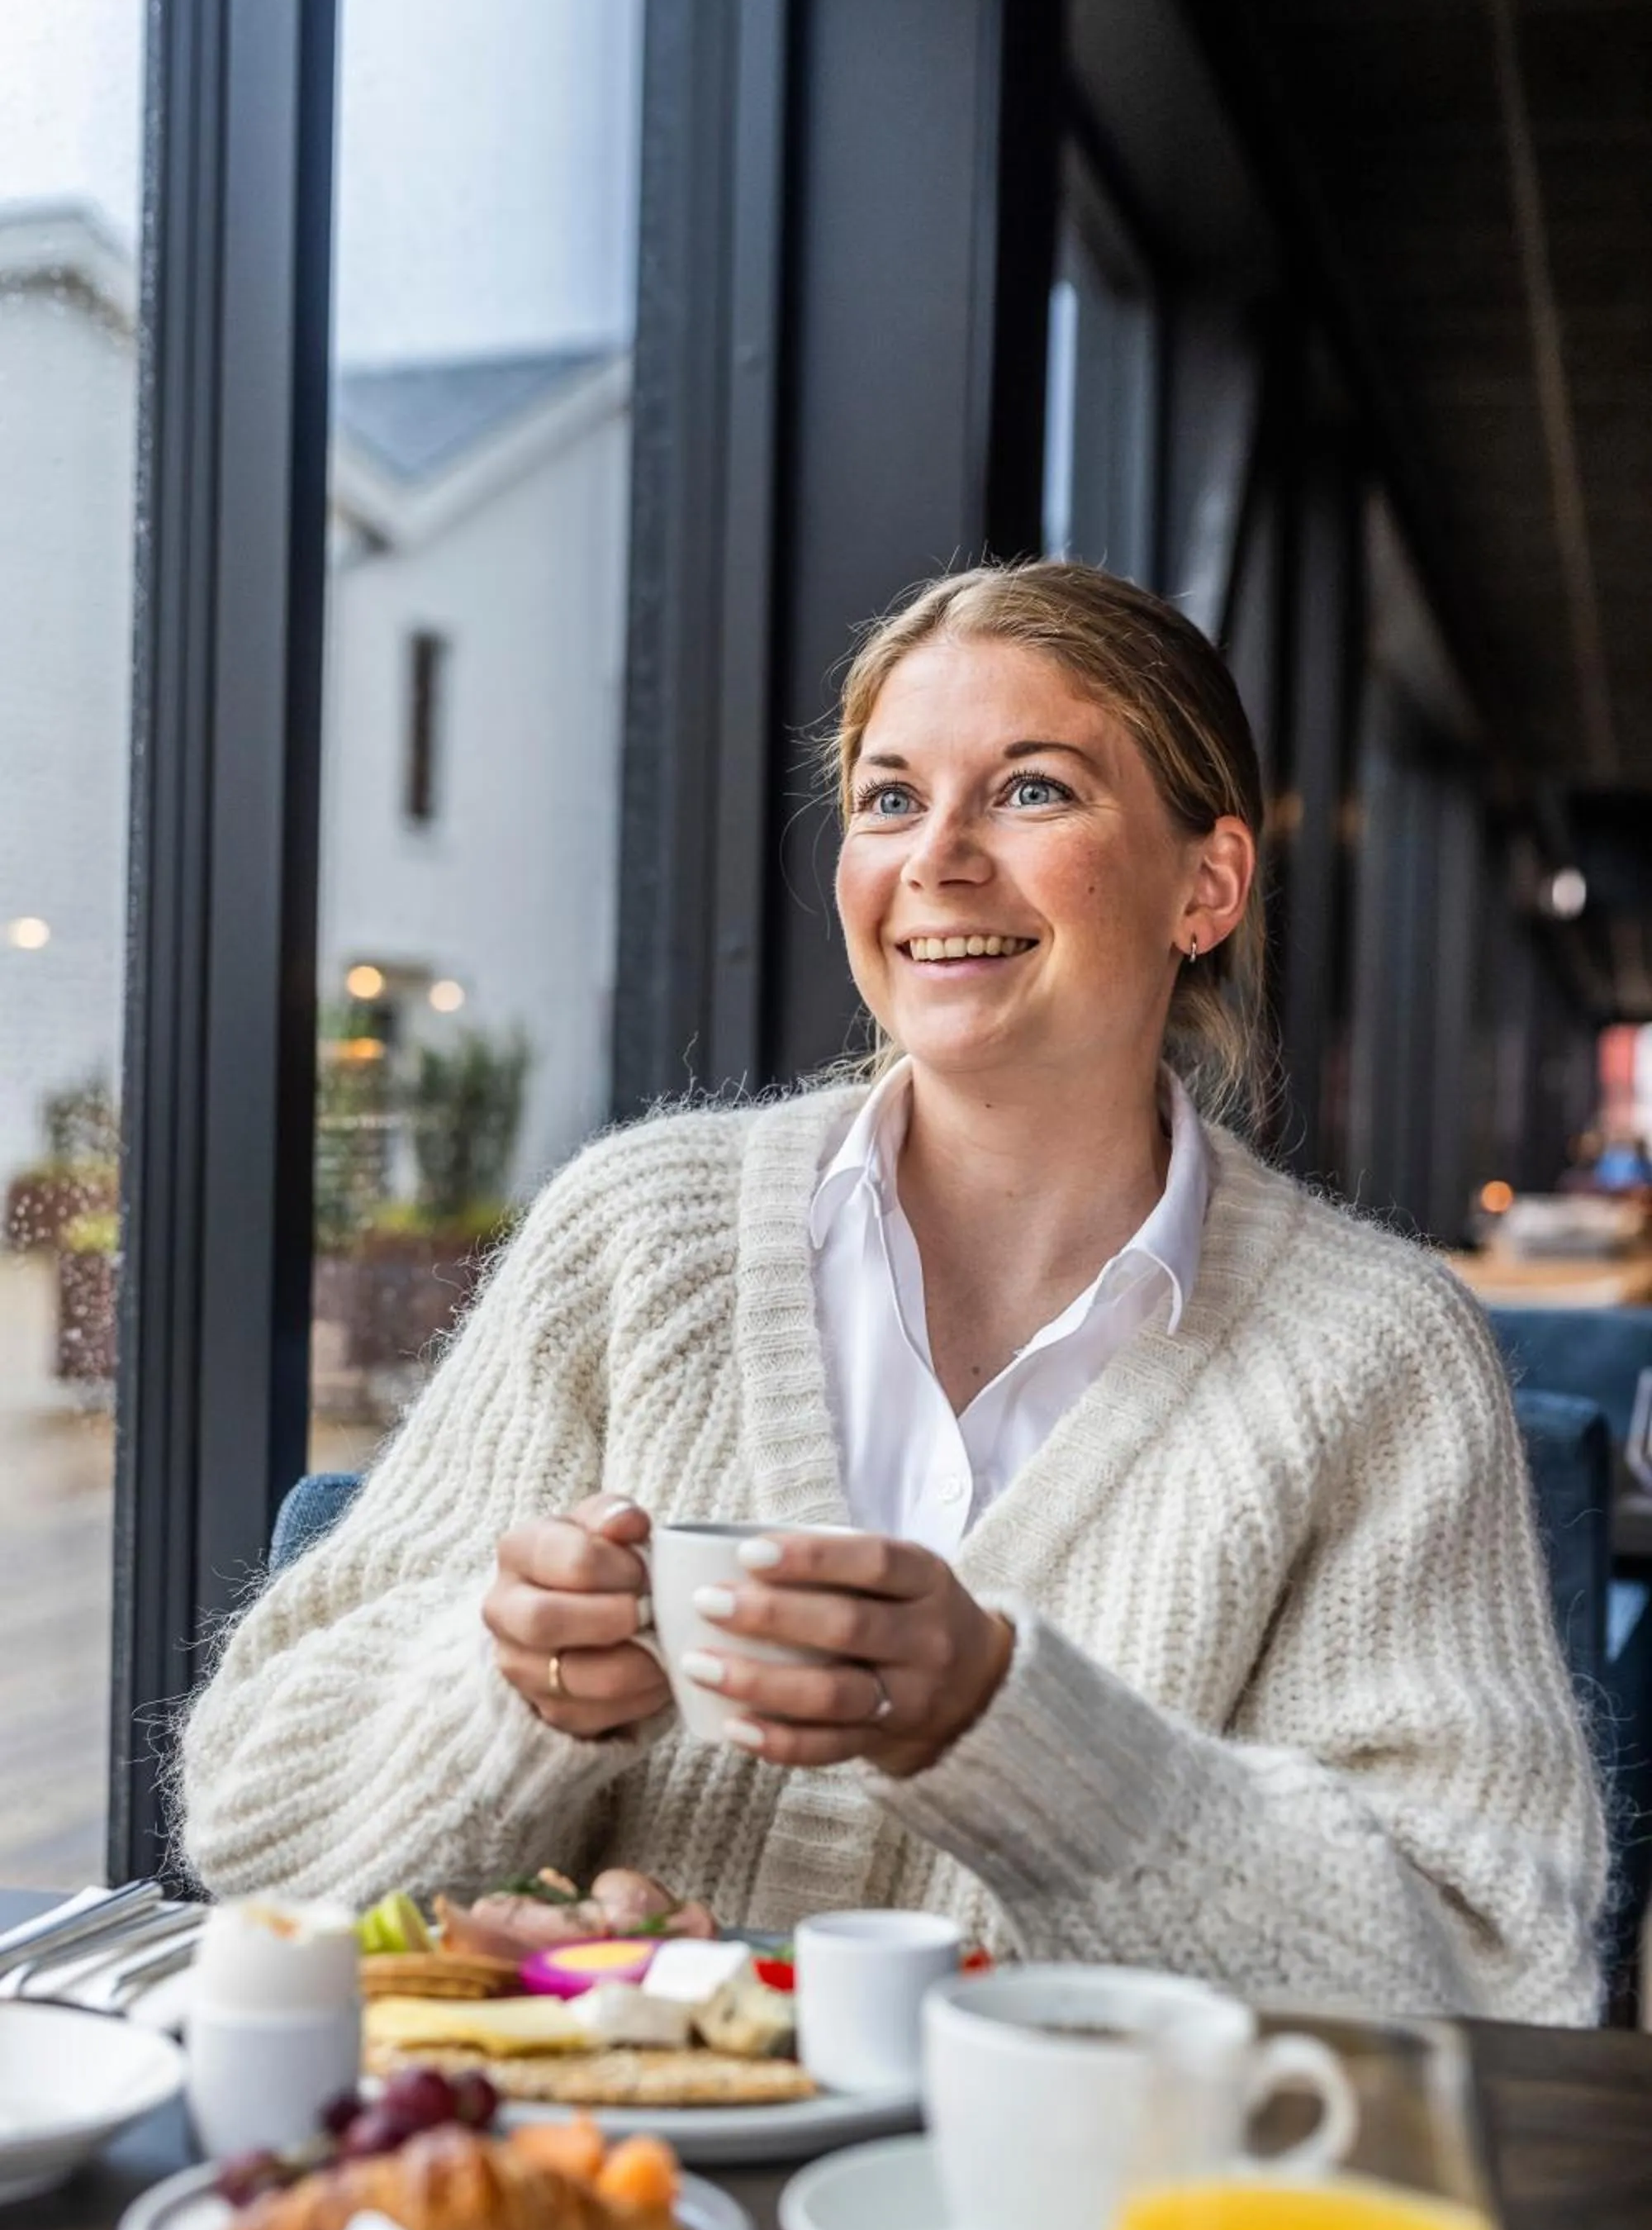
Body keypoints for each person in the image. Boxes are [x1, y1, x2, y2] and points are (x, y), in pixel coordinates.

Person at [179, 561, 1605, 2022]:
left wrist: (1003, 1727)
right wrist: (508, 1693)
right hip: (615, 2158)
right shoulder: (635, 1238)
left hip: (1078, 2167)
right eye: (890, 798)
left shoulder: (1379, 1358)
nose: (939, 857)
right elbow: (253, 1827)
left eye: (1034, 791)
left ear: (1208, 886)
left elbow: (1492, 1979)